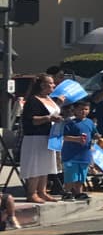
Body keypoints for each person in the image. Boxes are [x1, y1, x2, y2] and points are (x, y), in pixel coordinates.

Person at [20, 74, 63, 203]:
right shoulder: (33, 100)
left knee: (45, 165)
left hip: (49, 136)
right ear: (42, 85)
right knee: (35, 165)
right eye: (51, 83)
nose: (53, 85)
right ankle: (32, 193)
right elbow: (30, 119)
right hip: (35, 137)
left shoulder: (50, 99)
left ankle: (42, 191)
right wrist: (48, 118)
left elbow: (54, 112)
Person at [59, 99, 98, 202]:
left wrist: (97, 136)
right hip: (71, 154)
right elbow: (64, 137)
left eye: (86, 109)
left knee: (82, 175)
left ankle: (78, 192)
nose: (83, 111)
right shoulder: (70, 122)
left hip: (84, 153)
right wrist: (76, 139)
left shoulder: (89, 122)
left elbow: (94, 133)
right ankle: (67, 192)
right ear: (75, 110)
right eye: (81, 109)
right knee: (71, 174)